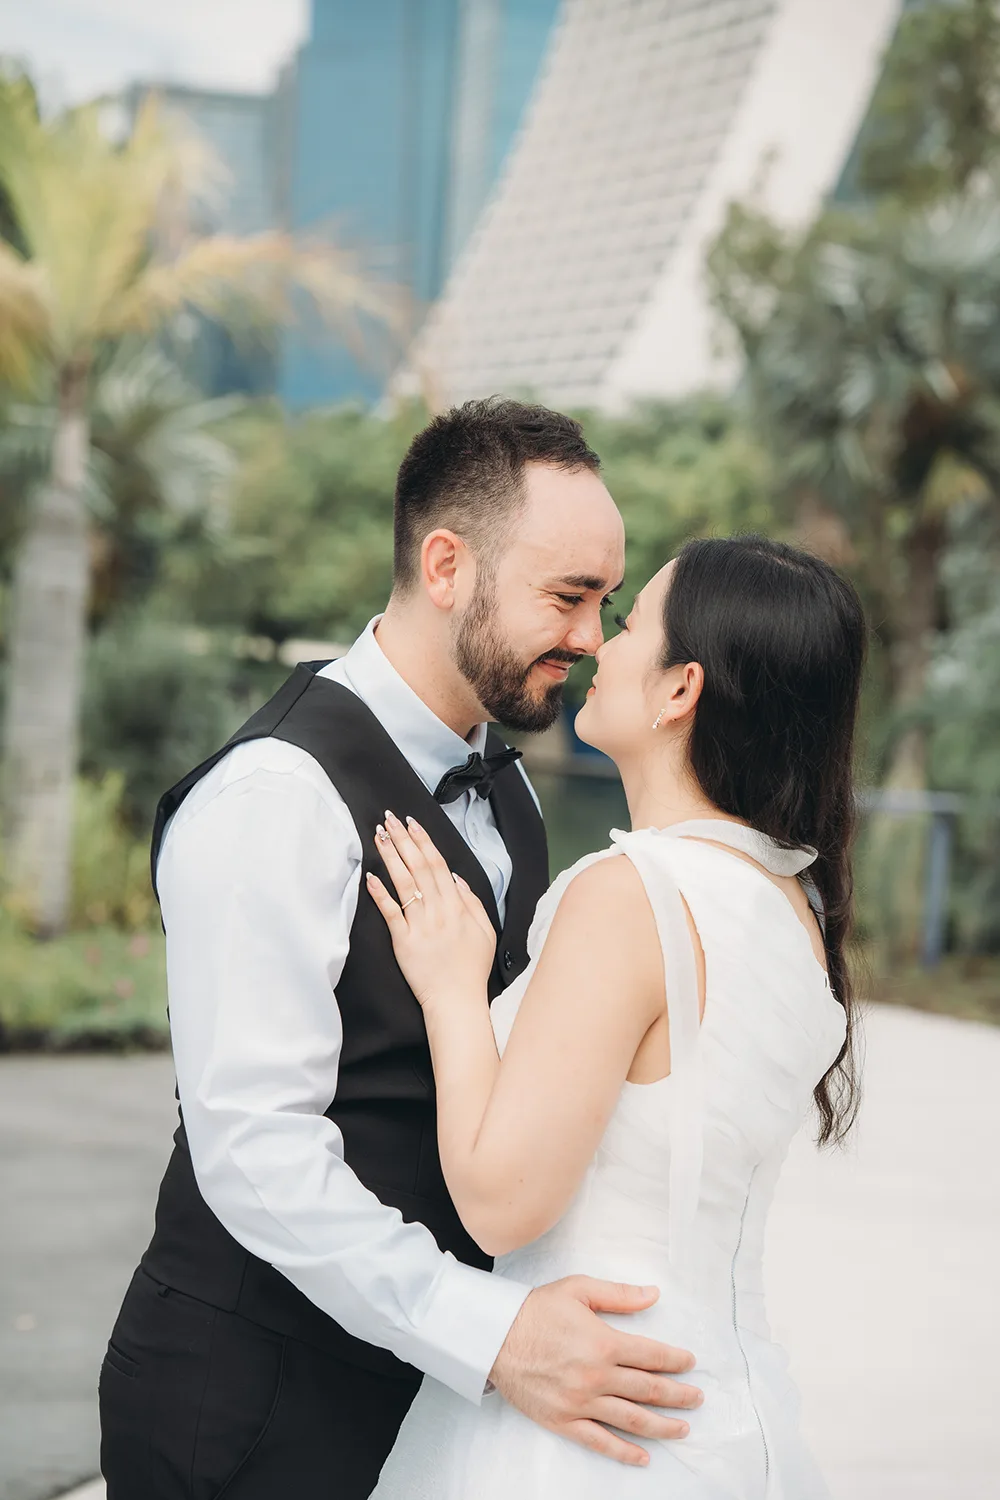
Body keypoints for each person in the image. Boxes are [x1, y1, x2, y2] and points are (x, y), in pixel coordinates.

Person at [98, 399, 704, 1500]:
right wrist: (494, 1334)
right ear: (444, 566)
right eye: (567, 596)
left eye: (606, 601)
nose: (591, 637)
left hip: (426, 1412)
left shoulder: (509, 787)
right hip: (248, 1407)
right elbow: (255, 1155)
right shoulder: (275, 797)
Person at [368, 535, 866, 1498]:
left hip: (587, 1413)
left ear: (682, 690)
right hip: (719, 1413)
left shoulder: (630, 895)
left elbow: (500, 1199)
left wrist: (451, 990)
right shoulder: (795, 910)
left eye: (630, 624)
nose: (596, 642)